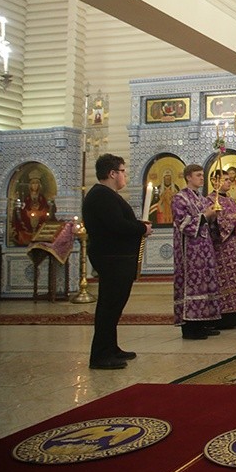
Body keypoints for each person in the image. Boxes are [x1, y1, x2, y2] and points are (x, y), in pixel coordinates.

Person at [81, 154, 152, 369]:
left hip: (117, 257)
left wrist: (138, 226)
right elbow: (117, 225)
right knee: (109, 307)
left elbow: (118, 222)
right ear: (112, 173)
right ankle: (100, 355)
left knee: (114, 307)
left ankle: (111, 348)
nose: (125, 175)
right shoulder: (101, 195)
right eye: (123, 171)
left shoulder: (107, 195)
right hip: (112, 258)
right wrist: (141, 228)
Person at [171, 164, 222, 339]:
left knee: (205, 284)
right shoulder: (180, 198)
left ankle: (203, 322)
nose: (202, 178)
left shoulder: (203, 199)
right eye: (198, 175)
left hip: (205, 248)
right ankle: (190, 328)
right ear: (188, 177)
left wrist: (213, 217)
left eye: (202, 175)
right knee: (192, 285)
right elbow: (183, 223)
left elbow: (209, 223)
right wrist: (205, 216)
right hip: (189, 251)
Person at [209, 169, 236, 329]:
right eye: (225, 179)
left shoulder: (232, 200)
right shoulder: (211, 200)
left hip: (235, 248)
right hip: (222, 248)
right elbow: (214, 223)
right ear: (215, 182)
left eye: (228, 179)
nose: (229, 182)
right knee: (224, 281)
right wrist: (233, 229)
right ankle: (225, 317)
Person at [11, 169, 56, 246]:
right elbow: (23, 210)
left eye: (36, 183)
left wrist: (41, 212)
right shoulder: (27, 198)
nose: (35, 185)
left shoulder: (42, 198)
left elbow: (46, 209)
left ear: (39, 185)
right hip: (28, 222)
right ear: (30, 185)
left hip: (40, 221)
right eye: (33, 183)